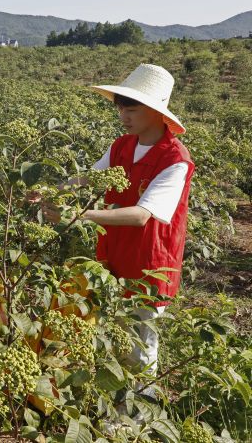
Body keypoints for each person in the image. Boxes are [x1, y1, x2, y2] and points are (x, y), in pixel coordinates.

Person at [86, 64, 194, 380]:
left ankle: (137, 419)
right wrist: (54, 189)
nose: (124, 116)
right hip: (114, 256)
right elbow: (91, 176)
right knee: (116, 336)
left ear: (156, 111)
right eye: (120, 108)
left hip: (149, 265)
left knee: (140, 345)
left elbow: (140, 215)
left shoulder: (175, 160)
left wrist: (84, 216)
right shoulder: (122, 145)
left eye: (131, 109)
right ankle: (113, 411)